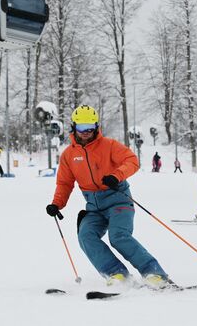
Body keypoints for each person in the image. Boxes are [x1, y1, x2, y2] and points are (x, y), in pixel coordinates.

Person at [45, 105, 169, 288]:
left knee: (118, 236)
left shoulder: (109, 145)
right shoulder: (69, 155)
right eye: (81, 127)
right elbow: (64, 183)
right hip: (94, 206)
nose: (86, 132)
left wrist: (116, 175)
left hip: (118, 199)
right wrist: (57, 204)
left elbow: (132, 161)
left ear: (96, 126)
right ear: (74, 126)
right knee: (85, 235)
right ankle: (116, 274)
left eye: (90, 127)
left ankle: (154, 273)